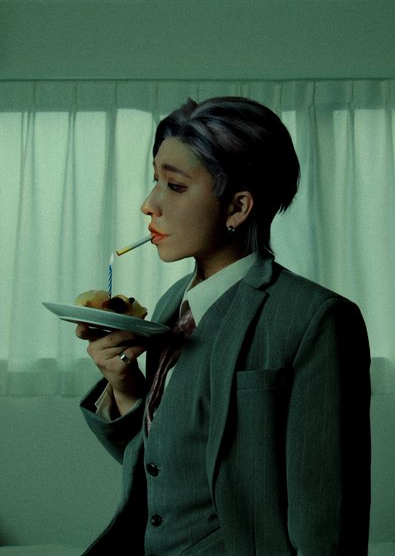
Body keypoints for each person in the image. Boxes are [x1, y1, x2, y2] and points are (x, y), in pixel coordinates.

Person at [76, 96, 371, 556]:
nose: (148, 205)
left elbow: (325, 518)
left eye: (175, 185)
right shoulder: (172, 304)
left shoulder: (317, 319)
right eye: (155, 180)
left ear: (237, 208)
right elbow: (166, 468)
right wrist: (125, 385)